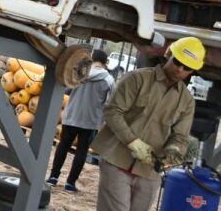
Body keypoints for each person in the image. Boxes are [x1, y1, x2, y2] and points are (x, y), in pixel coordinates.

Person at [92, 36, 204, 211]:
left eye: (187, 68)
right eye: (177, 62)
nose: (180, 69)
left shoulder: (187, 101)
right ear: (169, 55)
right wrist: (133, 142)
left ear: (192, 72)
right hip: (117, 161)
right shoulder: (137, 79)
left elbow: (180, 136)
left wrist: (174, 150)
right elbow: (112, 111)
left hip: (150, 172)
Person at [47, 48, 113, 191]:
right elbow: (110, 104)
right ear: (105, 62)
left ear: (92, 58)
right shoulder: (109, 80)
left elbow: (66, 90)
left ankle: (53, 177)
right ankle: (70, 183)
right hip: (91, 122)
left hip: (71, 116)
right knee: (81, 151)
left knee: (63, 146)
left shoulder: (80, 72)